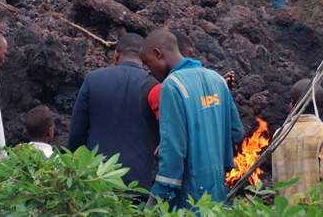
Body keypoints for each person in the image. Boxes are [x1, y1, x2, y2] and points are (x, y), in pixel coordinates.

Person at [140, 30, 244, 209]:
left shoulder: (172, 86)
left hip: (188, 200)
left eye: (147, 63)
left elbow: (173, 151)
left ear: (158, 53)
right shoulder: (217, 80)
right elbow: (236, 133)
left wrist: (153, 204)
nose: (148, 70)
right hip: (217, 194)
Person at [68, 33, 154, 193]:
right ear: (144, 58)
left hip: (98, 177)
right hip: (139, 181)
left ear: (116, 55)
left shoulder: (93, 79)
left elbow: (76, 132)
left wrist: (77, 168)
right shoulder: (155, 86)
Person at [272, 79, 323, 198]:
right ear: (322, 104)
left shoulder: (279, 134)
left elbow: (276, 179)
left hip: (286, 210)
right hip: (317, 210)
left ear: (292, 103)